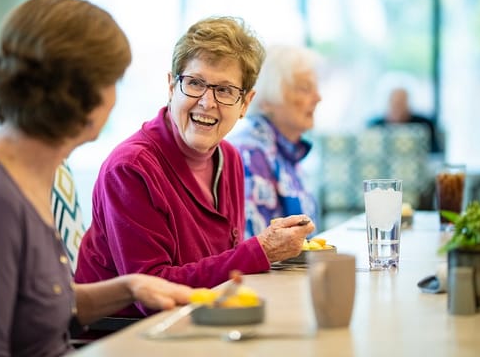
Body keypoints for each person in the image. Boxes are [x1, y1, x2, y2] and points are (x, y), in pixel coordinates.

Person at [0, 0, 192, 356]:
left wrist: (130, 287)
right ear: (81, 96)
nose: (115, 99)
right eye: (112, 83)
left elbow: (38, 306)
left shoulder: (25, 171)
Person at [74, 16, 316, 318]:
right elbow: (152, 295)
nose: (206, 102)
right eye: (195, 83)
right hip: (132, 337)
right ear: (171, 86)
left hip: (202, 323)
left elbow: (222, 270)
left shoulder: (229, 159)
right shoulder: (131, 169)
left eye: (225, 90)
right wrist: (260, 251)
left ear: (245, 104)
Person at [227, 44, 322, 238]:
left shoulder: (286, 150)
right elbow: (255, 248)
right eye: (305, 88)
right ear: (266, 99)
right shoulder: (250, 154)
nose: (318, 98)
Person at [368, 87, 441, 153]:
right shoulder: (375, 127)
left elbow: (435, 153)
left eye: (401, 103)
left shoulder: (424, 125)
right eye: (394, 104)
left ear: (408, 104)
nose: (397, 108)